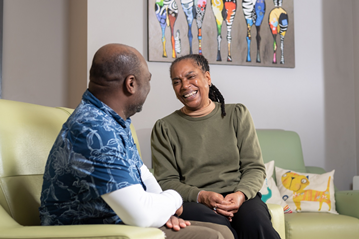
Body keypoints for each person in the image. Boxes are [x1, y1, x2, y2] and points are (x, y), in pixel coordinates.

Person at [39, 44, 233, 239]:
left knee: (221, 231)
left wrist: (165, 212)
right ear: (130, 84)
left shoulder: (112, 120)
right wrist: (174, 198)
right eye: (147, 80)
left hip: (119, 222)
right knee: (212, 237)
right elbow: (142, 215)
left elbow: (143, 173)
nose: (148, 87)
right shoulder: (95, 129)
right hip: (89, 231)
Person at [151, 54, 281, 239]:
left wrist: (240, 195)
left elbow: (254, 167)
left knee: (256, 223)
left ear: (207, 78)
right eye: (176, 82)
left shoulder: (237, 114)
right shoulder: (164, 128)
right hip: (194, 201)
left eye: (190, 76)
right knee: (220, 229)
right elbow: (166, 181)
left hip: (239, 196)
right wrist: (202, 196)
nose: (185, 86)